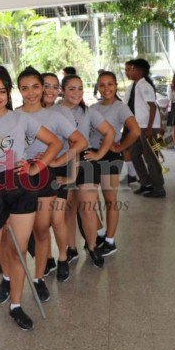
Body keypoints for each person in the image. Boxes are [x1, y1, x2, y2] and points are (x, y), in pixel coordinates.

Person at [0, 66, 62, 331]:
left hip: (22, 188)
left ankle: (16, 304)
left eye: (1, 91)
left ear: (8, 93)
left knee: (19, 250)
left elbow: (55, 143)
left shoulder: (21, 119)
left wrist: (36, 167)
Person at [15, 67, 86, 290]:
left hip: (52, 175)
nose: (32, 92)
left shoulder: (56, 115)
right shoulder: (15, 115)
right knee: (33, 227)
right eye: (25, 88)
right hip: (24, 177)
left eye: (36, 87)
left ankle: (62, 257)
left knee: (52, 222)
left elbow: (80, 142)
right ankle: (44, 263)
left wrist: (55, 161)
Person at [54, 75, 115, 268]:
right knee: (68, 210)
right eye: (71, 88)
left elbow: (109, 133)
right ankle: (71, 248)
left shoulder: (87, 111)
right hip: (63, 160)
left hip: (86, 162)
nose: (76, 93)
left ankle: (92, 246)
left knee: (88, 208)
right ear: (62, 90)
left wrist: (99, 154)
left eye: (80, 88)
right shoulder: (53, 111)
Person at [91, 71, 141, 256]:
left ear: (116, 85)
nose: (106, 88)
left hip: (110, 158)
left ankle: (110, 241)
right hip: (92, 154)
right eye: (102, 85)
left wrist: (120, 147)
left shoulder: (120, 107)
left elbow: (135, 131)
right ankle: (100, 233)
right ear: (97, 86)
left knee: (109, 199)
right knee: (86, 200)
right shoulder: (93, 107)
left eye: (110, 84)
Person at [125, 59, 166, 198]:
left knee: (151, 158)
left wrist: (150, 128)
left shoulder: (144, 85)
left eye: (130, 69)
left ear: (138, 70)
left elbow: (153, 107)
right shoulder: (136, 85)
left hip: (147, 128)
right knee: (134, 153)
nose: (128, 72)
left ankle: (159, 188)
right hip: (139, 127)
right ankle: (146, 183)